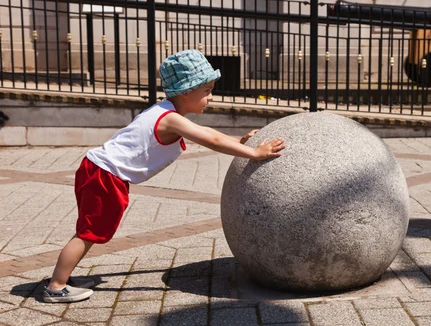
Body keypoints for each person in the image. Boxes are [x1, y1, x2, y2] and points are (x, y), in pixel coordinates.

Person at [43, 49, 285, 303]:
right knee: (88, 233)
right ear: (186, 91)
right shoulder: (169, 119)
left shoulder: (166, 112)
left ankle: (63, 277)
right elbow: (210, 138)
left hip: (98, 170)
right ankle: (56, 285)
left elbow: (208, 132)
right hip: (105, 175)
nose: (210, 98)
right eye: (207, 91)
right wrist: (254, 153)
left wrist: (240, 143)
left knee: (89, 231)